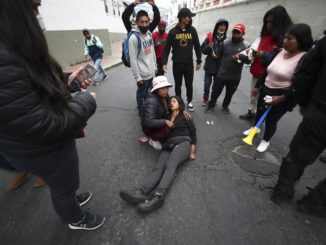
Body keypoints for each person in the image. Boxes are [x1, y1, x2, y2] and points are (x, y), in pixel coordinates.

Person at [0, 0, 105, 230]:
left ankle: (69, 197)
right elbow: (41, 124)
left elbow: (34, 89)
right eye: (35, 7)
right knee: (63, 187)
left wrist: (66, 83)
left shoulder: (16, 46)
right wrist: (86, 101)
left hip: (41, 147)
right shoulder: (5, 58)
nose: (39, 14)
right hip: (39, 148)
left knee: (65, 183)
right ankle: (74, 217)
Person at [270, 31, 326, 218]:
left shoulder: (317, 48)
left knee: (299, 154)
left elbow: (306, 72)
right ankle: (314, 201)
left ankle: (284, 190)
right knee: (300, 153)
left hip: (319, 111)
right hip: (320, 112)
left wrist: (304, 101)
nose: (285, 41)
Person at [243, 24, 313, 152]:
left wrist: (282, 98)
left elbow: (302, 86)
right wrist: (257, 86)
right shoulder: (280, 51)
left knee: (271, 120)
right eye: (285, 38)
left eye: (290, 38)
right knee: (259, 111)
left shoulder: (305, 59)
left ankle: (266, 140)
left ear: (301, 40)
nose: (285, 41)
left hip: (282, 95)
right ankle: (255, 129)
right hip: (266, 89)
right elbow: (267, 70)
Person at [120, 96, 196, 212]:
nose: (171, 103)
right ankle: (142, 192)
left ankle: (159, 195)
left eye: (174, 101)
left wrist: (192, 152)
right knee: (159, 166)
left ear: (180, 104)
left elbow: (193, 134)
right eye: (170, 101)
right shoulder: (166, 117)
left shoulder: (186, 116)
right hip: (168, 144)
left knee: (170, 165)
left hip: (183, 142)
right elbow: (153, 122)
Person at [239, 6, 293, 121]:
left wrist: (264, 55)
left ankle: (261, 120)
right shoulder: (264, 34)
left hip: (271, 79)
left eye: (271, 22)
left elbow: (281, 59)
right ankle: (252, 112)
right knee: (253, 96)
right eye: (267, 22)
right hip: (257, 72)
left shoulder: (285, 39)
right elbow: (253, 47)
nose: (268, 25)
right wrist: (252, 54)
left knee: (264, 101)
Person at [205, 23, 251, 114]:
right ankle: (211, 106)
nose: (236, 35)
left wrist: (240, 57)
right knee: (215, 92)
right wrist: (214, 54)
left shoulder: (246, 45)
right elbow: (218, 55)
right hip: (222, 74)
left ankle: (225, 106)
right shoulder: (225, 42)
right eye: (234, 32)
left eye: (238, 33)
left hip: (235, 76)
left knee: (229, 94)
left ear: (243, 34)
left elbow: (249, 60)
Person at [162, 7, 202, 112]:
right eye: (188, 17)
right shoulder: (172, 32)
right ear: (183, 18)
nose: (190, 19)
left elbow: (197, 46)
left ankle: (189, 101)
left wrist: (199, 60)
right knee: (178, 85)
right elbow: (166, 49)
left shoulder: (192, 31)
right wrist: (164, 62)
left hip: (189, 64)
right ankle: (179, 102)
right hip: (177, 65)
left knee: (189, 84)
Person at [129, 10, 157, 116]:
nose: (144, 24)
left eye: (146, 21)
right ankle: (141, 111)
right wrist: (137, 77)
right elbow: (133, 60)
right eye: (142, 22)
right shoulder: (133, 38)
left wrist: (154, 66)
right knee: (141, 94)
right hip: (142, 75)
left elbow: (152, 51)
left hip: (151, 72)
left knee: (149, 94)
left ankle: (148, 109)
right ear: (137, 22)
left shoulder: (149, 34)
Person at [140, 76, 173, 150]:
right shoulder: (152, 101)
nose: (165, 90)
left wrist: (182, 110)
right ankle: (153, 139)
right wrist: (165, 121)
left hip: (159, 119)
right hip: (149, 127)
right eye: (162, 88)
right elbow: (148, 121)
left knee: (177, 118)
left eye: (166, 88)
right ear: (156, 90)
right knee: (167, 128)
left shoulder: (165, 96)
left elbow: (173, 102)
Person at [201, 19, 228, 106]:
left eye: (224, 25)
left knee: (215, 87)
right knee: (207, 86)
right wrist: (209, 46)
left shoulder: (227, 40)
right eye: (220, 25)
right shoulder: (210, 37)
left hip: (219, 68)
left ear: (226, 27)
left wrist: (219, 56)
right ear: (217, 26)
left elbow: (227, 54)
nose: (222, 27)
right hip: (209, 66)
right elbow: (203, 50)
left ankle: (212, 100)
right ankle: (205, 98)